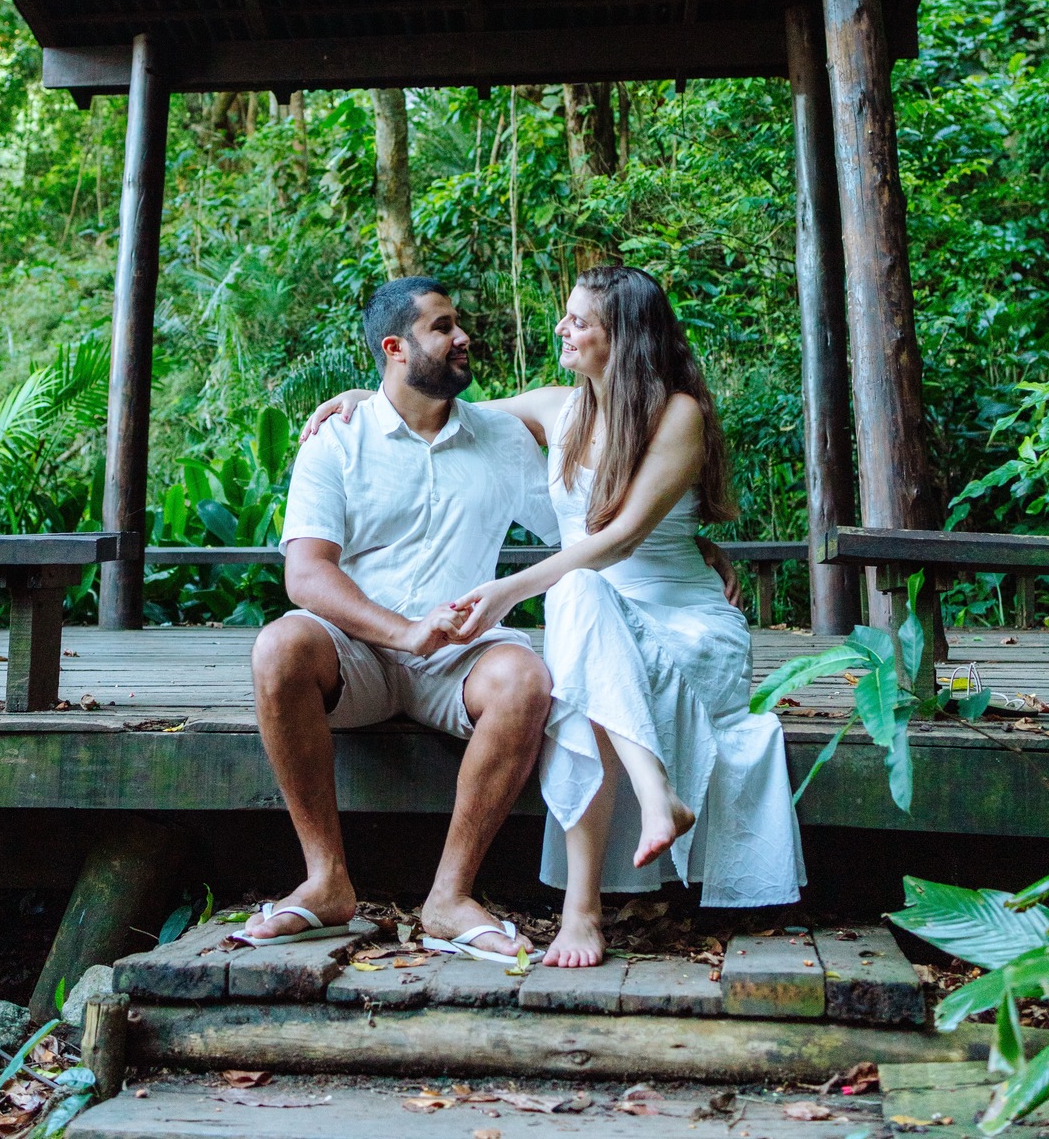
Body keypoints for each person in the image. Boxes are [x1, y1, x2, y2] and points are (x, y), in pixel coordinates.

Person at [306, 265, 805, 967]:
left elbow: (621, 539)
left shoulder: (678, 412)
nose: (562, 330)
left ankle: (584, 905)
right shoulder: (553, 408)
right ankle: (636, 823)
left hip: (681, 622)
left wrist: (508, 590)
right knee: (579, 621)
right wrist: (367, 393)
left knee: (575, 600)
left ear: (622, 336)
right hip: (599, 614)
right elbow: (439, 408)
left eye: (578, 321)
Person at [242, 275, 559, 960]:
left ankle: (449, 898)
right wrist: (402, 631)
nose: (462, 336)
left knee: (526, 680)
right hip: (359, 653)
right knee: (279, 648)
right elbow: (306, 573)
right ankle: (325, 881)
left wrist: (680, 537)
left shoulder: (501, 438)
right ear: (395, 347)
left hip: (460, 656)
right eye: (443, 327)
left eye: (458, 324)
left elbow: (580, 527)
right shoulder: (339, 440)